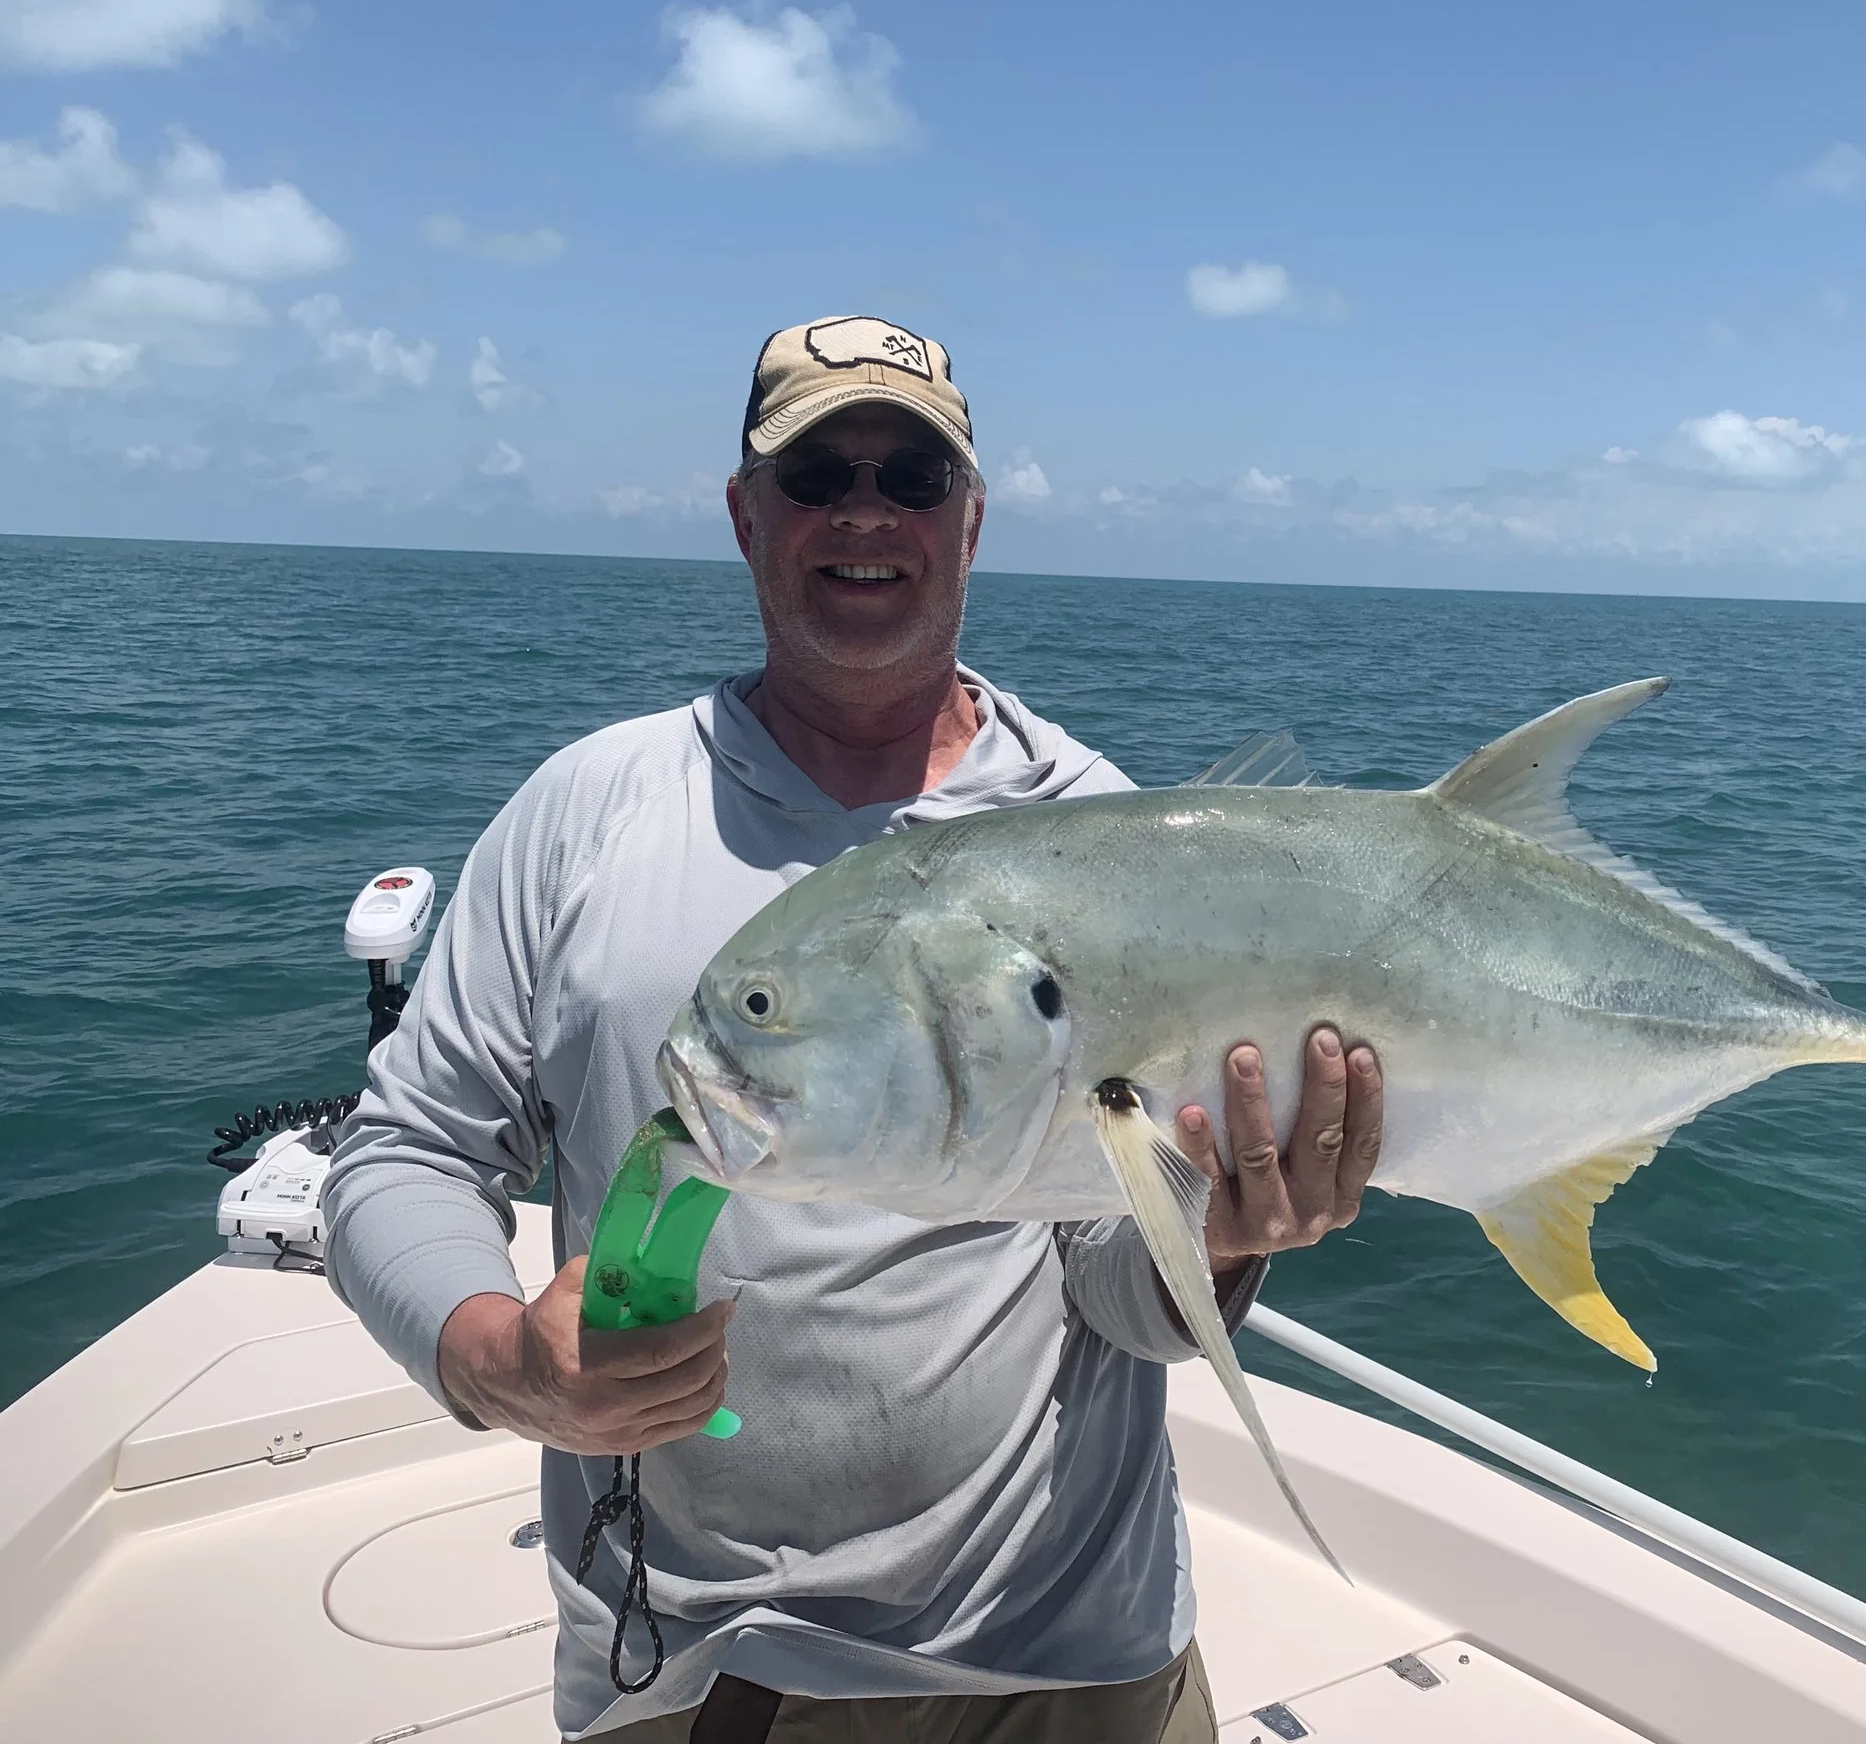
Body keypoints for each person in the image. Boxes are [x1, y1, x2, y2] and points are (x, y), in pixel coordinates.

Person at [323, 316, 1385, 1743]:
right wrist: (502, 1354)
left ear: (973, 520)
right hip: (712, 1668)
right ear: (745, 515)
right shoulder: (588, 813)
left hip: (1079, 1655)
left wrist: (1234, 1231)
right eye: (820, 472)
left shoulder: (1100, 827)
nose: (867, 511)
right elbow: (401, 1151)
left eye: (913, 475)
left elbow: (1120, 1293)